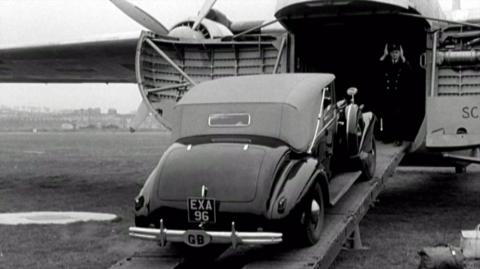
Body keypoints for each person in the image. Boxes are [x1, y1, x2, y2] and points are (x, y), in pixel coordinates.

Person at [378, 43, 411, 146]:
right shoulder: (387, 64)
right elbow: (377, 68)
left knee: (398, 118)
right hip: (388, 96)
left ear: (399, 53)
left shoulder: (403, 64)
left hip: (399, 96)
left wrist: (403, 57)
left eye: (396, 52)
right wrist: (384, 55)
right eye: (392, 52)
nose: (394, 55)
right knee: (387, 117)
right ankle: (388, 137)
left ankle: (398, 139)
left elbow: (410, 71)